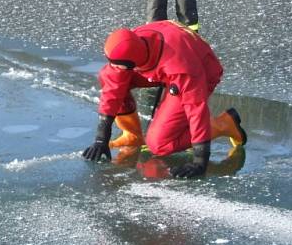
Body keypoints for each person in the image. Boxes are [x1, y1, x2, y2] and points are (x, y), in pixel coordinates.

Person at [82, 21, 246, 178]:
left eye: (118, 64)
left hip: (199, 71)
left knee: (159, 144)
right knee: (110, 77)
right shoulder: (134, 44)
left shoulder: (182, 67)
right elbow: (112, 87)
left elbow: (196, 109)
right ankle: (132, 135)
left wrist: (200, 160)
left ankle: (223, 124)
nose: (114, 66)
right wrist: (101, 139)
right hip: (159, 66)